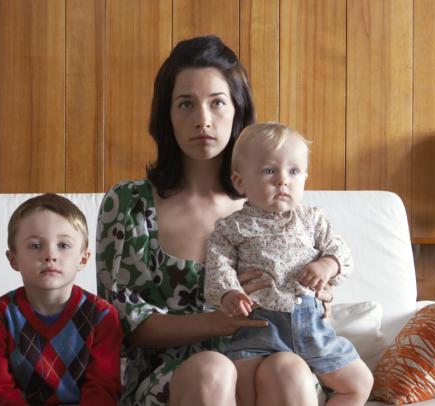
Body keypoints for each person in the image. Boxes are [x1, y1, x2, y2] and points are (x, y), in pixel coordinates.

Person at [97, 35, 336, 406]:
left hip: (268, 358)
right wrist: (218, 321)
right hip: (172, 375)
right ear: (168, 116)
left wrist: (317, 295)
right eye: (186, 104)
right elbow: (121, 322)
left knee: (287, 368)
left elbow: (314, 299)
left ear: (237, 111)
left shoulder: (278, 202)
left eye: (217, 103)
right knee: (213, 368)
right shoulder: (129, 203)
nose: (202, 120)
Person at [204, 122, 373, 405]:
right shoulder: (230, 227)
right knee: (244, 391)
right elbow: (218, 265)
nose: (283, 181)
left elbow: (341, 252)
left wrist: (327, 265)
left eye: (294, 172)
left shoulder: (312, 219)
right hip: (257, 329)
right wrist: (229, 293)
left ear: (305, 177)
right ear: (240, 182)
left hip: (312, 327)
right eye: (269, 171)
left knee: (360, 383)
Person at [0, 193, 122, 405]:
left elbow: (103, 388)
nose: (50, 255)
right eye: (35, 245)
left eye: (63, 245)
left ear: (83, 259)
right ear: (13, 259)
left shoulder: (103, 316)